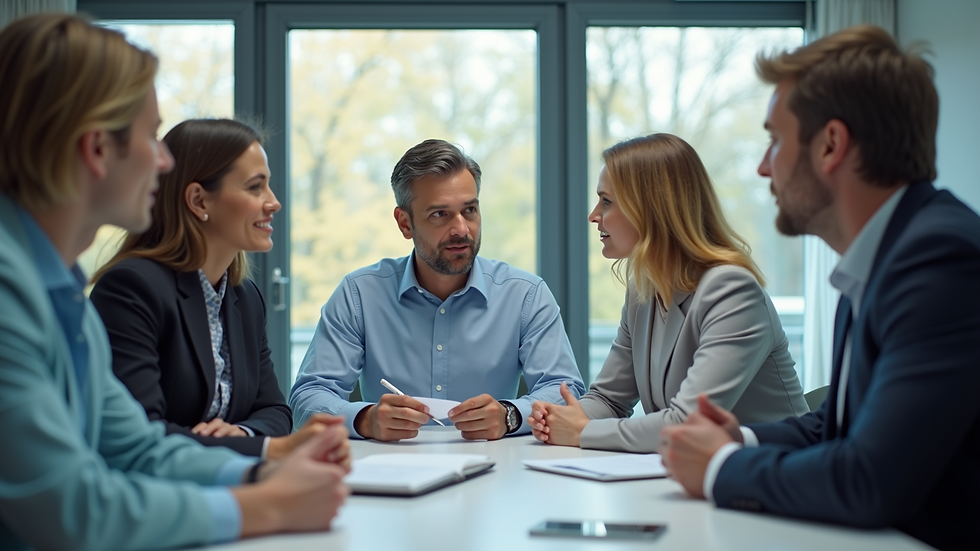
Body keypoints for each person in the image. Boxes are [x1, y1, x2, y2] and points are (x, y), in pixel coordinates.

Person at [0, 14, 349, 551]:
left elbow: (136, 449)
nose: (162, 161)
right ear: (96, 150)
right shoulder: (14, 295)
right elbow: (70, 508)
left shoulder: (60, 288)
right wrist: (267, 502)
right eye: (150, 136)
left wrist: (263, 476)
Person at [658, 25, 980, 551]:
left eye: (775, 140)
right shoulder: (885, 253)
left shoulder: (940, 258)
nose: (765, 167)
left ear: (831, 144)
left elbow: (869, 479)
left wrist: (720, 467)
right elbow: (841, 423)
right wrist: (738, 436)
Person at [290, 138, 585, 441]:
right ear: (405, 223)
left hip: (496, 472)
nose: (461, 229)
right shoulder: (359, 294)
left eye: (469, 210)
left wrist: (510, 415)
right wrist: (366, 419)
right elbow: (307, 398)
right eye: (440, 214)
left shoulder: (526, 295)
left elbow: (566, 390)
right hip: (389, 474)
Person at [527, 133, 807, 452]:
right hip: (695, 477)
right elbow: (608, 399)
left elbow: (686, 423)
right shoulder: (643, 290)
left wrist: (581, 432)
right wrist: (562, 418)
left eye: (606, 201)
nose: (593, 215)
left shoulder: (731, 291)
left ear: (650, 209)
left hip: (772, 480)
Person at [89, 118, 329, 459]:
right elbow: (140, 432)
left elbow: (275, 411)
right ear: (199, 201)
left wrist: (242, 432)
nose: (273, 202)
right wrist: (253, 445)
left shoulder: (245, 298)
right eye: (255, 187)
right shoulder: (132, 288)